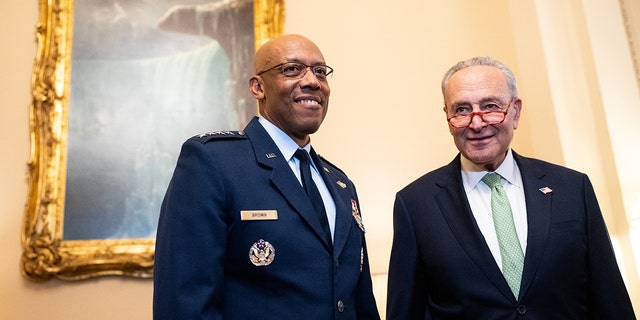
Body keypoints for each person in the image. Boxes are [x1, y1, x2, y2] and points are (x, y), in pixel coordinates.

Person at [386, 56, 636, 319]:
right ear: (447, 118)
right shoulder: (416, 205)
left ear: (515, 112)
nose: (477, 123)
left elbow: (610, 299)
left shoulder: (572, 189)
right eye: (461, 110)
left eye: (490, 106)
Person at [153, 34, 380, 320]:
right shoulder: (213, 162)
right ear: (257, 87)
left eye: (320, 72)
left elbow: (360, 302)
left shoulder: (340, 184)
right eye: (291, 69)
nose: (312, 81)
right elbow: (185, 302)